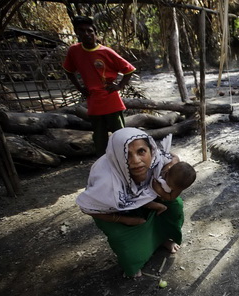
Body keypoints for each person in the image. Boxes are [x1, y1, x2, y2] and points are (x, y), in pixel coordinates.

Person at [76, 128, 186, 277]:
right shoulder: (107, 181)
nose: (136, 161)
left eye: (141, 151)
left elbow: (174, 158)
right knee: (125, 242)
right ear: (117, 157)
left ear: (150, 150)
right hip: (112, 209)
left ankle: (162, 238)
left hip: (140, 200)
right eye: (126, 154)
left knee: (174, 206)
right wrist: (125, 219)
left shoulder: (156, 158)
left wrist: (169, 167)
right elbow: (87, 208)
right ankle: (134, 263)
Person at [63, 16, 136, 156]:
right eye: (82, 31)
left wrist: (119, 86)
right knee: (99, 136)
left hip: (110, 99)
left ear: (95, 33)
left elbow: (129, 69)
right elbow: (69, 71)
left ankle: (127, 159)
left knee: (120, 133)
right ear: (77, 33)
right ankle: (104, 162)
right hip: (93, 100)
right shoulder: (74, 51)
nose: (86, 34)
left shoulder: (106, 51)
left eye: (89, 31)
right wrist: (80, 88)